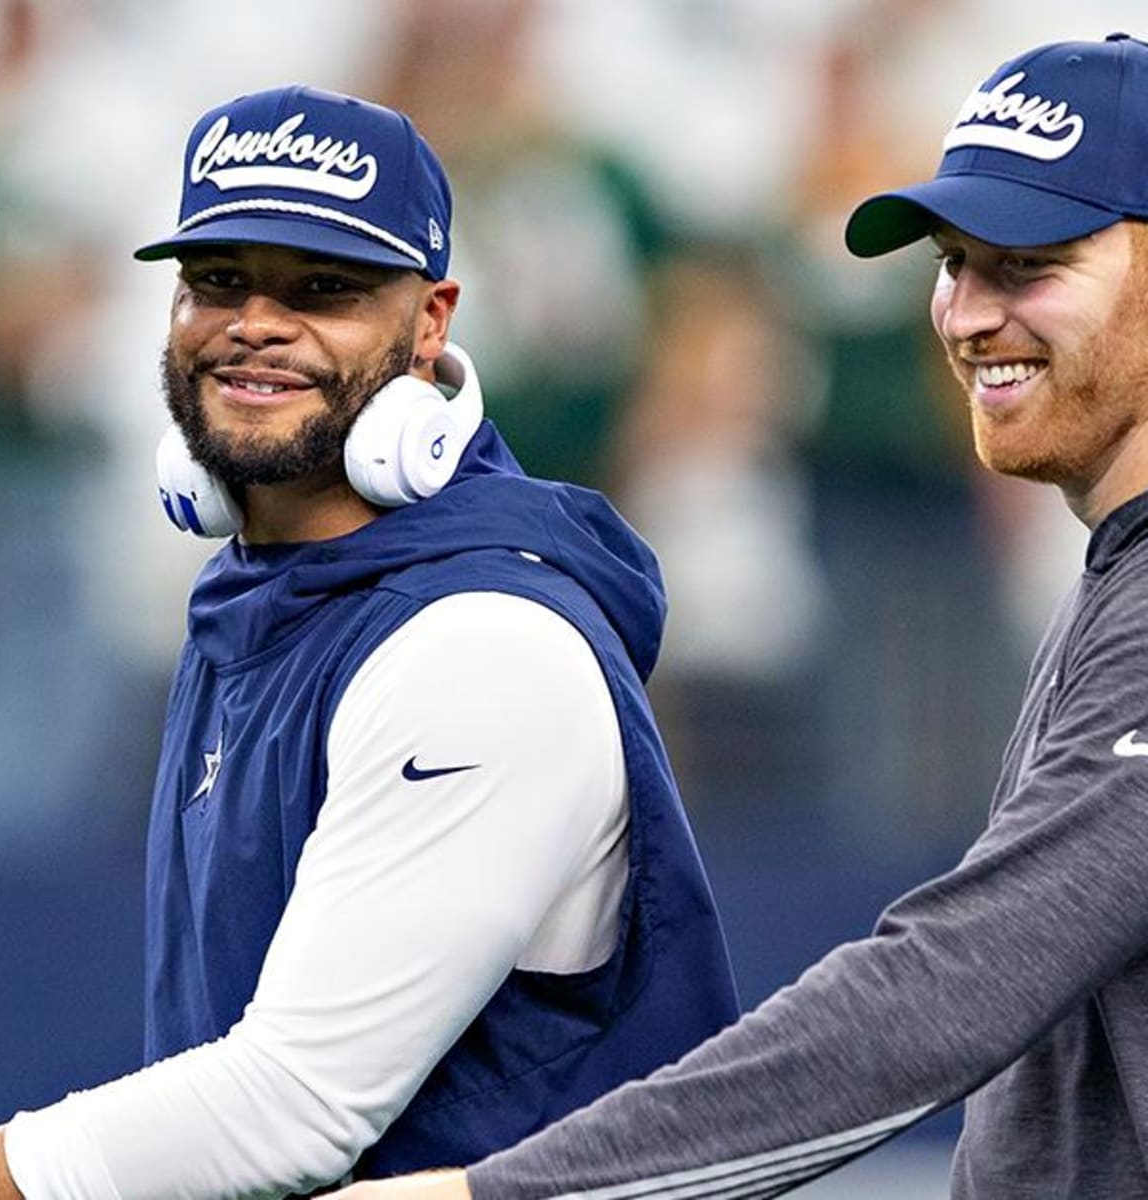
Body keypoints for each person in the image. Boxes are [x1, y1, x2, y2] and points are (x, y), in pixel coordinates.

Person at [332, 31, 1148, 1200]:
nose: (967, 314)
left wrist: (500, 1194)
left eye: (1031, 263)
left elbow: (946, 993)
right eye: (956, 262)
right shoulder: (1113, 575)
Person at [0, 85, 740, 1198]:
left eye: (324, 288)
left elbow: (295, 1109)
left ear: (431, 325)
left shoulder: (481, 645)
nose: (257, 324)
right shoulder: (261, 597)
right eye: (219, 281)